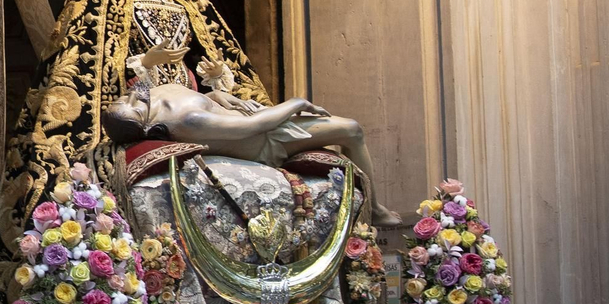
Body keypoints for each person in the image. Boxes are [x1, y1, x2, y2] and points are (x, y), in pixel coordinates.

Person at [101, 82, 400, 225]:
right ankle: (374, 210)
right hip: (267, 139)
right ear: (149, 127)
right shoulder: (184, 122)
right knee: (352, 130)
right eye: (135, 105)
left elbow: (203, 97)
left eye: (124, 96)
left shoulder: (157, 92)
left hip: (257, 119)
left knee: (349, 130)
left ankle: (372, 206)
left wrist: (220, 96)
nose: (134, 95)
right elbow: (253, 126)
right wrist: (297, 103)